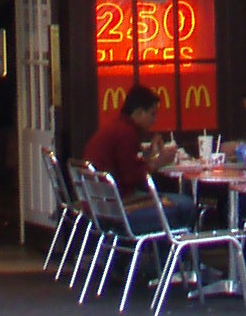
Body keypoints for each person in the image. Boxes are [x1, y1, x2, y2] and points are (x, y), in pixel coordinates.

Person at [83, 83, 196, 229]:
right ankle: (173, 250)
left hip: (99, 205)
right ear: (138, 112)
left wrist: (149, 155)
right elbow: (131, 178)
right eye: (152, 114)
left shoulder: (116, 127)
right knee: (185, 205)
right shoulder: (126, 133)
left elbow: (126, 166)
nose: (154, 120)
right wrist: (158, 163)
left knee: (178, 202)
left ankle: (166, 250)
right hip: (118, 208)